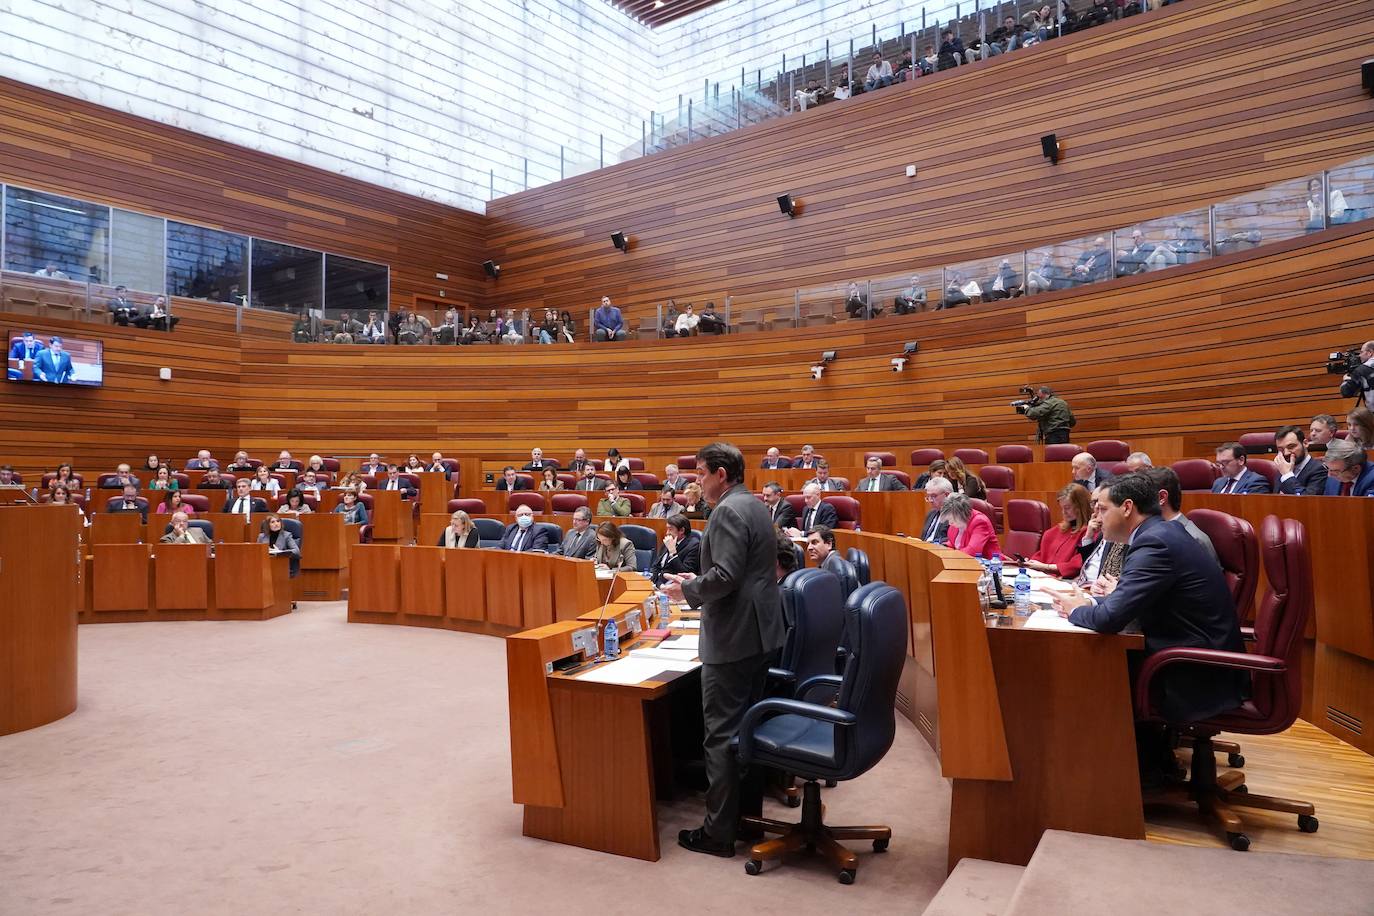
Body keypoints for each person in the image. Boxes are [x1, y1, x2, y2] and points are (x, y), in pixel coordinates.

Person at [1049, 474, 1246, 780]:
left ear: (1127, 507)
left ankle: (1111, 778)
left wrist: (1078, 610)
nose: (1097, 519)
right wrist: (1094, 605)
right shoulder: (1160, 534)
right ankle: (1141, 766)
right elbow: (1122, 606)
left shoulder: (1155, 543)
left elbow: (1108, 620)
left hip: (1194, 671)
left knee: (1087, 665)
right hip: (1187, 654)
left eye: (1102, 509)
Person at [660, 442, 784, 858]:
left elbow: (727, 576)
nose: (696, 480)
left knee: (721, 736)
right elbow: (741, 570)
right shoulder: (751, 505)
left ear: (721, 475)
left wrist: (689, 588)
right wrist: (704, 578)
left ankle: (718, 833)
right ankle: (746, 819)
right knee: (744, 734)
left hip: (733, 637)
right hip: (758, 633)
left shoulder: (728, 510)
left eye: (700, 473)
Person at [1020, 485, 1090, 578]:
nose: (1064, 512)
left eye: (1068, 507)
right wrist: (1029, 563)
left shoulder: (1089, 535)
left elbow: (1077, 564)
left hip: (1064, 582)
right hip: (1043, 579)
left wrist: (1045, 567)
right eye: (1062, 508)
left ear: (1081, 507)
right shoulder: (1053, 533)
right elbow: (1041, 556)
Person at [1074, 484, 1126, 591]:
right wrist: (1088, 536)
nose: (1096, 506)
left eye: (1100, 503)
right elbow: (1087, 563)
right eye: (1094, 502)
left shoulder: (1117, 533)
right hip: (1083, 585)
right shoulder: (1100, 531)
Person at [1273, 424, 1328, 495]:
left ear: (1305, 443)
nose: (1286, 453)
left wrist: (1287, 475)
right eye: (1281, 449)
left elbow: (1308, 502)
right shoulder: (1282, 469)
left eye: (1291, 447)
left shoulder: (1319, 470)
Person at [941, 493, 999, 558]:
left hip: (991, 565)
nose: (950, 523)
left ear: (962, 514)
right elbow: (951, 543)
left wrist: (951, 556)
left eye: (952, 519)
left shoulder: (980, 522)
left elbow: (972, 551)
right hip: (963, 563)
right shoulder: (956, 523)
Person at [651, 514, 701, 583]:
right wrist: (656, 582)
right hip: (659, 583)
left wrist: (672, 552)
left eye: (670, 529)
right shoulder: (669, 541)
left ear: (682, 530)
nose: (667, 533)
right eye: (667, 529)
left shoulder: (693, 546)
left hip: (676, 586)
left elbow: (685, 574)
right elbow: (656, 566)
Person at [1338, 341, 1374, 411]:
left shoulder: (1362, 370)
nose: (1359, 355)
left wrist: (1347, 379)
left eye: (1361, 352)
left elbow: (1346, 392)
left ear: (1370, 353)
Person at [919, 477, 953, 544]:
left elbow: (952, 540)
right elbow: (924, 538)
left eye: (933, 496)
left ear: (947, 495)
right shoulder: (931, 513)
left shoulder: (955, 515)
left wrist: (931, 543)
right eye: (928, 496)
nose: (930, 500)